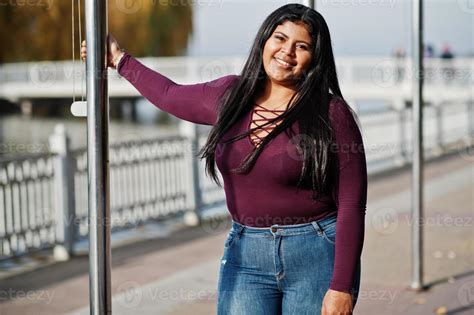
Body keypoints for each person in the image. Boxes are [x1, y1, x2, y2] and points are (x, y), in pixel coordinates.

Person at [81, 4, 367, 314]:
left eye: (302, 46)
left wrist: (341, 287)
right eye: (280, 39)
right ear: (264, 41)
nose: (287, 52)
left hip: (314, 253)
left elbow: (352, 205)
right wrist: (119, 59)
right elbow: (169, 94)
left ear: (315, 57)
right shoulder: (232, 95)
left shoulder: (331, 113)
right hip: (247, 256)